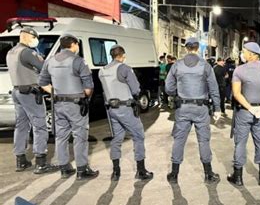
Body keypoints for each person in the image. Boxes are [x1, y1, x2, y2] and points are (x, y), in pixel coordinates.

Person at [39, 34, 99, 180]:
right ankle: (82, 170)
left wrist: (55, 93)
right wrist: (86, 98)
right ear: (73, 44)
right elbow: (88, 86)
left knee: (61, 136)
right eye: (77, 44)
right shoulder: (78, 61)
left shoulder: (50, 61)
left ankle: (65, 168)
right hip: (76, 103)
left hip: (58, 103)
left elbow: (42, 83)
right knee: (80, 136)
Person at [165, 37, 221, 184]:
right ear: (198, 48)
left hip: (182, 108)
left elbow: (168, 87)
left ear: (186, 48)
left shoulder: (177, 65)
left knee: (179, 140)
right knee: (203, 141)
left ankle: (174, 174)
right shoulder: (205, 65)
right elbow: (214, 88)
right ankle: (208, 174)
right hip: (201, 108)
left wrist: (175, 94)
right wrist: (217, 108)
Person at [6, 27, 57, 174]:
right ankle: (41, 162)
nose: (36, 41)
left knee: (21, 125)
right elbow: (44, 68)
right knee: (39, 125)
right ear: (28, 36)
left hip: (17, 91)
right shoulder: (27, 52)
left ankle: (21, 160)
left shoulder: (11, 52)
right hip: (30, 93)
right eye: (35, 38)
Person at [98, 45, 153, 181]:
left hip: (112, 109)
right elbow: (136, 89)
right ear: (122, 55)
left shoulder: (102, 70)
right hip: (125, 108)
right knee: (138, 136)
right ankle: (141, 171)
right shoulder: (124, 68)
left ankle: (116, 172)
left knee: (117, 139)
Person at [227, 42, 260, 186]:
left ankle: (238, 177)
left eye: (244, 51)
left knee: (240, 143)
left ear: (251, 54)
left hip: (244, 111)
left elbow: (236, 93)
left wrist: (249, 107)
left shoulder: (239, 71)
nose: (242, 54)